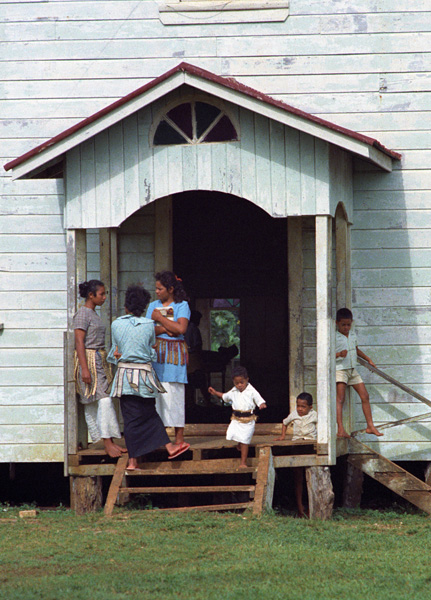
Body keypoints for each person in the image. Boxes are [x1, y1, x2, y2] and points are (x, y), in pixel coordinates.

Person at [108, 285, 190, 470]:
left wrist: (121, 356)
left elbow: (113, 353)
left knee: (130, 419)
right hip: (145, 377)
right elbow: (152, 353)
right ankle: (169, 447)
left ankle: (132, 461)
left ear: (126, 306)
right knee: (149, 413)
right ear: (145, 307)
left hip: (125, 377)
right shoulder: (148, 326)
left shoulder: (116, 324)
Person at [73, 279, 126, 458]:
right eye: (101, 294)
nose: (104, 297)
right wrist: (84, 368)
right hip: (88, 360)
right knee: (102, 401)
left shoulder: (94, 314)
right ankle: (107, 442)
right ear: (91, 295)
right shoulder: (83, 314)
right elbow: (79, 341)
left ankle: (107, 442)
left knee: (101, 400)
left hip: (99, 360)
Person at [146, 271, 190, 450]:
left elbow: (181, 328)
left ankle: (179, 438)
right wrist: (167, 329)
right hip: (157, 354)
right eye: (156, 288)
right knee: (159, 397)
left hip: (174, 356)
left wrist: (160, 320)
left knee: (176, 394)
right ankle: (161, 439)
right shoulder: (152, 305)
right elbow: (148, 329)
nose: (156, 291)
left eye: (160, 288)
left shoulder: (182, 305)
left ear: (170, 289)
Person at [335, 307, 383, 438]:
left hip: (352, 370)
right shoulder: (334, 336)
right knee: (340, 399)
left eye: (348, 324)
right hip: (340, 370)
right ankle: (340, 429)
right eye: (343, 324)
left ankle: (370, 426)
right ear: (337, 323)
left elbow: (356, 350)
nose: (346, 327)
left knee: (365, 396)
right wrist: (338, 354)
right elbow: (326, 355)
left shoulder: (352, 335)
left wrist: (368, 359)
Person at [208, 366, 267, 468]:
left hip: (248, 421)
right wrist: (215, 392)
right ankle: (239, 443)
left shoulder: (251, 390)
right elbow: (225, 396)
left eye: (242, 382)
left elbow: (259, 399)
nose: (239, 385)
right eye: (237, 383)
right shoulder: (233, 391)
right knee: (232, 434)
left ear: (247, 379)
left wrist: (262, 404)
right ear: (233, 382)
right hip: (236, 419)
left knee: (245, 441)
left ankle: (243, 463)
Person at [275, 392, 317, 518]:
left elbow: (324, 426)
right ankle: (300, 508)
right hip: (297, 447)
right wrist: (283, 436)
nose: (300, 409)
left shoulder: (315, 415)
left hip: (310, 447)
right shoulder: (294, 414)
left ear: (310, 407)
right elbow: (285, 423)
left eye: (303, 407)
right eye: (298, 406)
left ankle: (312, 508)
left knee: (312, 478)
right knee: (298, 478)